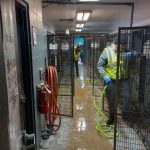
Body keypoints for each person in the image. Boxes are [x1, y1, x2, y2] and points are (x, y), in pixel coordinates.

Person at [97, 37, 125, 126]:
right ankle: (112, 117)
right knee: (112, 100)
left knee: (120, 98)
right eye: (121, 47)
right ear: (117, 44)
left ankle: (122, 113)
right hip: (110, 81)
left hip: (121, 79)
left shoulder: (120, 51)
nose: (122, 49)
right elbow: (99, 65)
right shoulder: (107, 52)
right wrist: (105, 76)